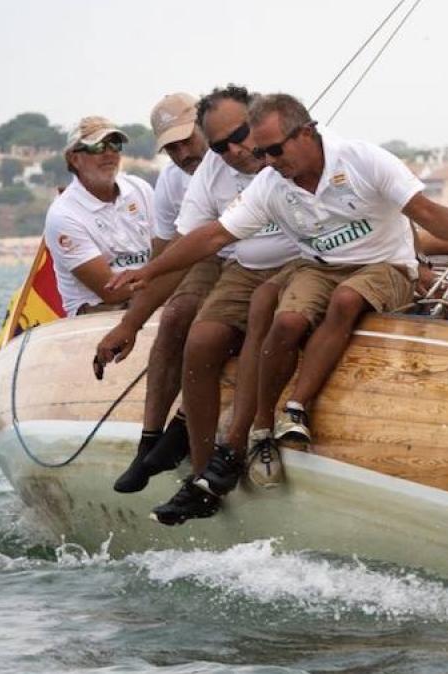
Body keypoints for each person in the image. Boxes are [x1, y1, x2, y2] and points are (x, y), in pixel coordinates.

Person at [107, 93, 448, 520]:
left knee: (318, 300)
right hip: (312, 268)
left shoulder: (363, 160)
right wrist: (151, 271)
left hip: (370, 267)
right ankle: (223, 458)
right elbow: (214, 236)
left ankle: (279, 418)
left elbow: (425, 213)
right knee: (265, 320)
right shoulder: (271, 182)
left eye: (272, 149)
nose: (264, 159)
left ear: (306, 133)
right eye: (258, 151)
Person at [146, 85, 301, 526]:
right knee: (200, 339)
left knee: (264, 312)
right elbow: (201, 238)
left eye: (240, 135)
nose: (234, 150)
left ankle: (231, 452)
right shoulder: (212, 171)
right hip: (244, 269)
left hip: (301, 264)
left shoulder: (291, 156)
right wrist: (144, 284)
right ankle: (199, 476)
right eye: (220, 145)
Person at [93, 94, 217, 494]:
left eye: (188, 140)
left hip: (253, 260)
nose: (183, 153)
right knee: (177, 313)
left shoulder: (240, 163)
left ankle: (182, 431)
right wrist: (130, 323)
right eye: (172, 147)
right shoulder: (172, 180)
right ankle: (149, 441)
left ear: (205, 126)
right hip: (208, 259)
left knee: (211, 325)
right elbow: (166, 257)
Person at [44, 116, 154, 317]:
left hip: (151, 294)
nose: (109, 153)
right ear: (74, 159)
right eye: (97, 147)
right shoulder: (63, 215)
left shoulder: (140, 189)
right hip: (98, 309)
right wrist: (164, 283)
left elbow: (163, 247)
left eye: (115, 145)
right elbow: (109, 291)